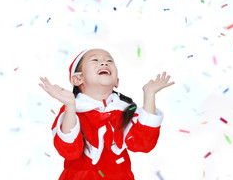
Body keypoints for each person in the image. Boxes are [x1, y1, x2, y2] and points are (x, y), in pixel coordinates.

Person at [39, 48, 175, 179]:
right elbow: (69, 151)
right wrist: (70, 105)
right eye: (95, 60)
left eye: (109, 61)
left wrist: (149, 94)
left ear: (117, 82)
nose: (104, 63)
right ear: (78, 79)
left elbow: (143, 144)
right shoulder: (73, 111)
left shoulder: (125, 111)